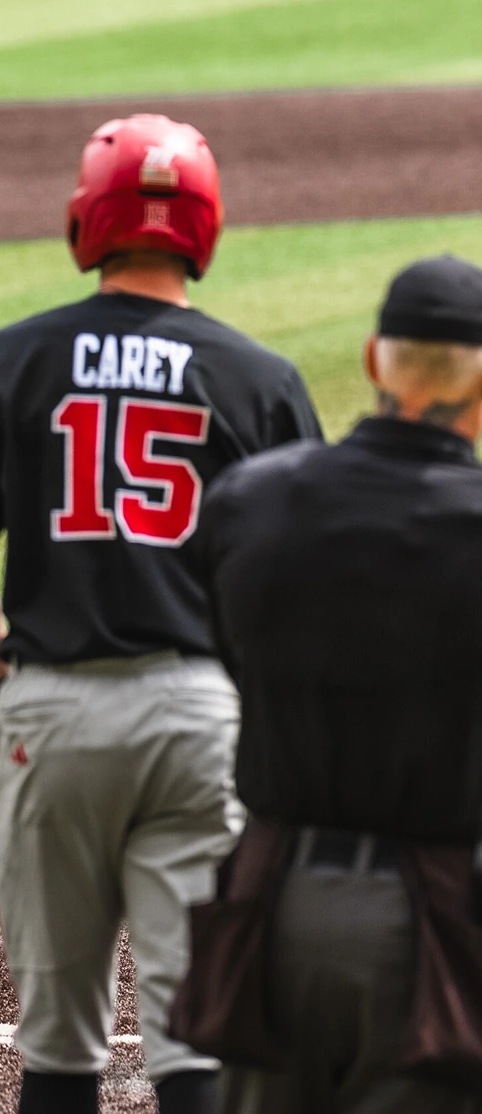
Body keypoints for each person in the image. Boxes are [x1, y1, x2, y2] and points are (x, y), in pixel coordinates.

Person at [0, 114, 321, 1113]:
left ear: (86, 219)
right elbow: (297, 598)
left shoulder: (8, 360)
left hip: (54, 715)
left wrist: (10, 676)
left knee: (57, 1048)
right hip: (201, 719)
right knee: (197, 1036)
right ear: (205, 224)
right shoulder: (261, 380)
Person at [183, 255, 482, 1112]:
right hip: (432, 920)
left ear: (374, 359)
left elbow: (227, 655)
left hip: (271, 904)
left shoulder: (251, 501)